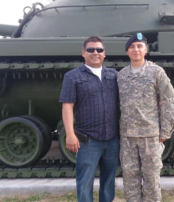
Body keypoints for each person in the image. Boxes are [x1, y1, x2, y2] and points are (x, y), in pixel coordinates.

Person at [117, 33, 174, 202]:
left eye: (139, 46)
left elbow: (168, 101)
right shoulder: (121, 75)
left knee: (151, 179)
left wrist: (165, 131)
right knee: (130, 178)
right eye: (132, 47)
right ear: (127, 51)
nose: (136, 49)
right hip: (128, 136)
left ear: (146, 49)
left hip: (150, 136)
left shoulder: (156, 72)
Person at [59, 36, 119, 202]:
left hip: (112, 138)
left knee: (109, 180)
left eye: (99, 50)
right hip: (88, 139)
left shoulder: (113, 75)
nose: (95, 53)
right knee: (85, 180)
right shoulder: (72, 76)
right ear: (83, 53)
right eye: (91, 49)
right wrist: (70, 134)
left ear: (104, 54)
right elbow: (67, 106)